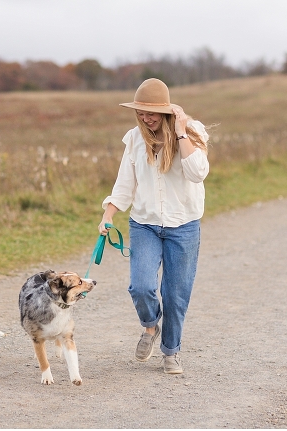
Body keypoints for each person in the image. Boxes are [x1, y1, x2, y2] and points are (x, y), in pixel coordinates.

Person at [98, 78, 209, 375]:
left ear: (166, 110)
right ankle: (150, 328)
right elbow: (125, 183)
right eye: (141, 113)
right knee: (142, 286)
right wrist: (108, 214)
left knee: (175, 294)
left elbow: (198, 173)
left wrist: (181, 132)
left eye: (151, 113)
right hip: (144, 224)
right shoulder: (135, 138)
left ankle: (171, 352)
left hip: (183, 226)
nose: (145, 118)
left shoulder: (192, 133)